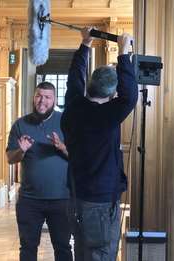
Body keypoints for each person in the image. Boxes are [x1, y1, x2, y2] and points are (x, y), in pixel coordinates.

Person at [61, 28, 138, 261]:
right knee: (101, 255)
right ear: (112, 93)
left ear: (90, 85)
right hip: (100, 203)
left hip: (76, 196)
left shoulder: (74, 106)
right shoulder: (106, 115)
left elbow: (74, 78)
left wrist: (85, 44)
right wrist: (124, 53)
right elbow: (130, 97)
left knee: (83, 253)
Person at [6, 81, 72, 261]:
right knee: (27, 248)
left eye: (47, 97)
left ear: (54, 99)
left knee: (63, 248)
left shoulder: (65, 121)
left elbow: (79, 158)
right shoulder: (20, 124)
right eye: (38, 96)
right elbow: (11, 159)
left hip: (62, 199)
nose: (42, 101)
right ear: (34, 97)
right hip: (29, 201)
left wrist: (62, 147)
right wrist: (22, 150)